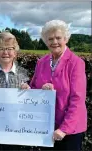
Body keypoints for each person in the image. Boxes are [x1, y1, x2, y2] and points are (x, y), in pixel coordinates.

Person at [30, 20, 87, 151]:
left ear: (66, 39)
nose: (54, 42)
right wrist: (33, 89)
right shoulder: (41, 62)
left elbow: (77, 100)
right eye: (50, 39)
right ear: (46, 41)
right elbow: (33, 88)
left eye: (58, 38)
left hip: (70, 130)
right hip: (46, 126)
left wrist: (64, 129)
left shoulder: (76, 63)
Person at [0, 31, 30, 150]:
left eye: (9, 48)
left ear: (15, 52)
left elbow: (29, 103)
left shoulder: (23, 73)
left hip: (16, 129)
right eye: (1, 48)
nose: (5, 52)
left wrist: (28, 90)